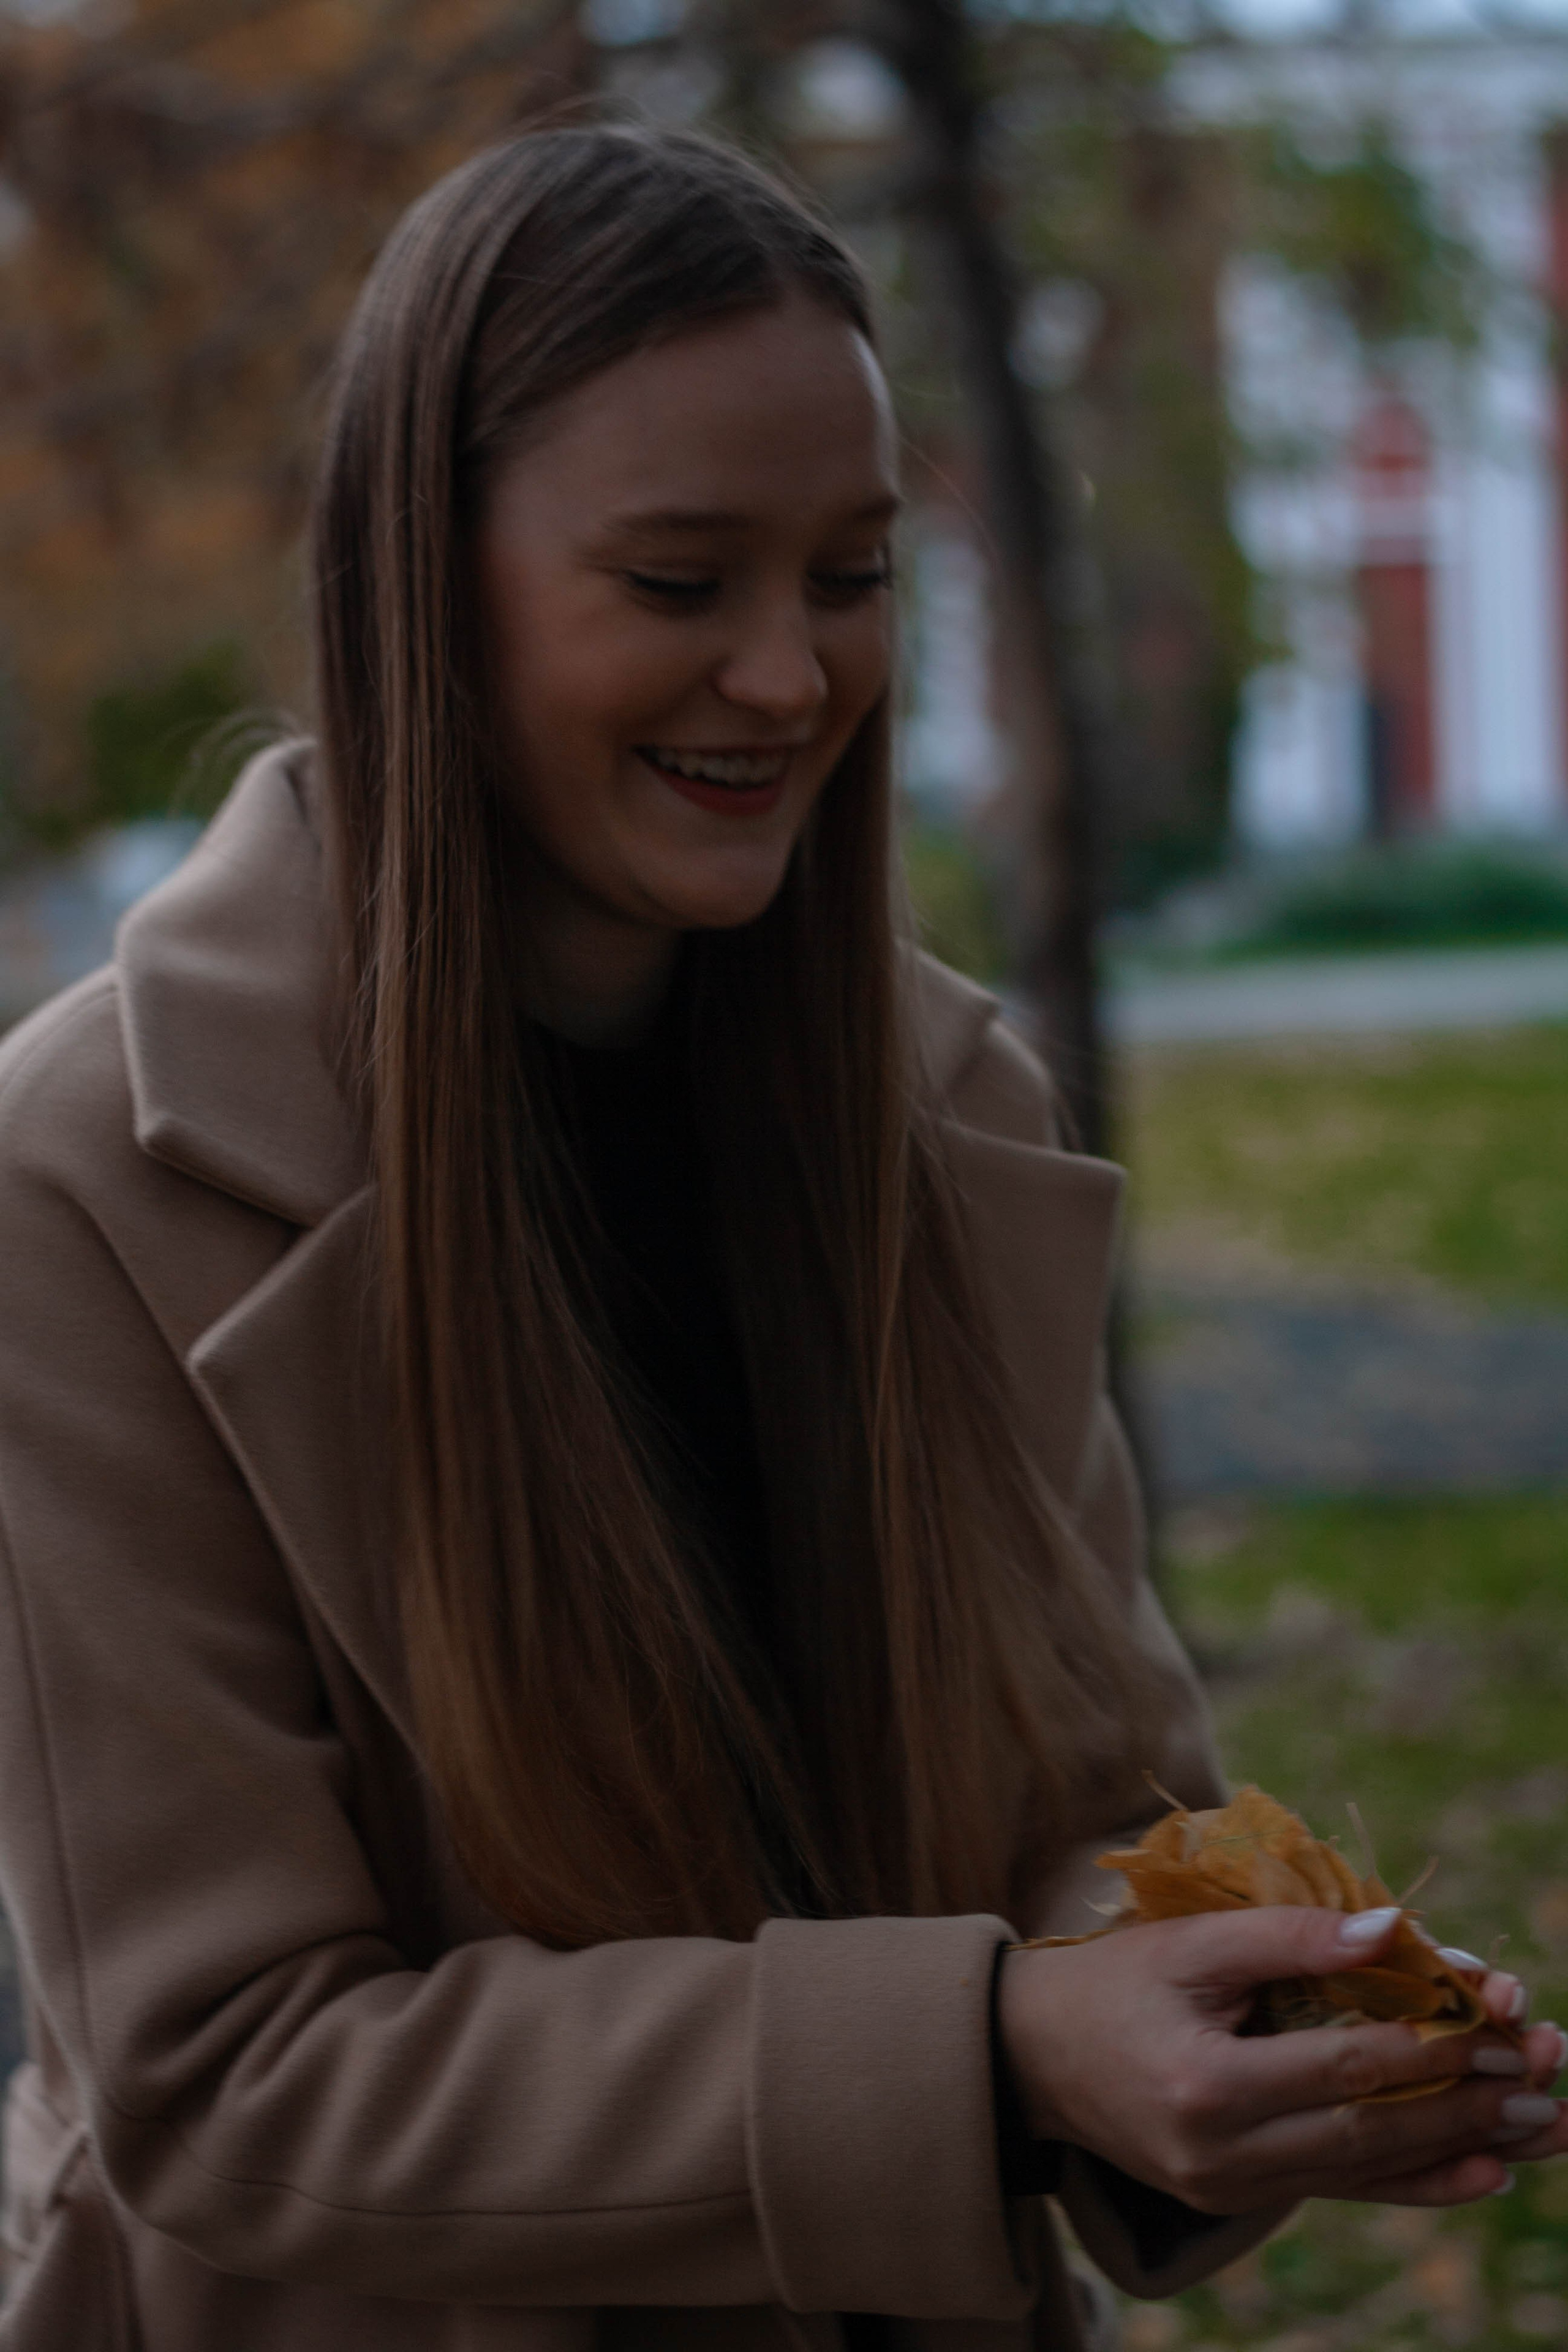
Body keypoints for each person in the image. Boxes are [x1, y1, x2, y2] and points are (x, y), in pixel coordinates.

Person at [0, 125, 1561, 2352]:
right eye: (676, 580)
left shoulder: (940, 1109)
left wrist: (1247, 2011)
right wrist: (995, 2049)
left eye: (850, 572)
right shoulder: (88, 1178)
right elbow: (224, 2081)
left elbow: (1080, 1799)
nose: (786, 676)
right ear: (419, 581)